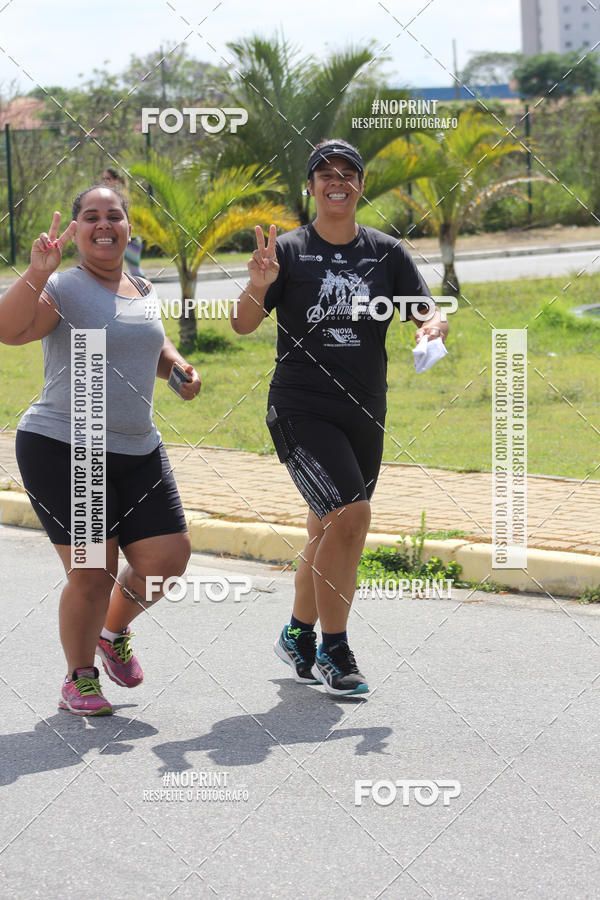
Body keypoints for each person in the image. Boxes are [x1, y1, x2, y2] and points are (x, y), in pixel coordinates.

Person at [231, 139, 449, 696]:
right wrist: (257, 285)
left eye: (347, 173)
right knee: (352, 518)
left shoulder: (387, 252)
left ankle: (298, 635)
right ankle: (335, 649)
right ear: (310, 187)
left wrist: (432, 328)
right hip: (300, 409)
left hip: (364, 411)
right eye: (324, 173)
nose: (337, 181)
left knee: (328, 527)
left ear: (360, 183)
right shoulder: (291, 251)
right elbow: (242, 325)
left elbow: (425, 311)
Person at [0, 185, 201, 716]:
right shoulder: (64, 287)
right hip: (68, 444)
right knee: (93, 571)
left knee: (167, 559)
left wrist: (178, 368)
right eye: (91, 217)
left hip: (138, 447)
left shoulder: (140, 286)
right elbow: (9, 328)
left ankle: (112, 633)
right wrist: (38, 271)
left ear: (128, 228)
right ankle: (78, 677)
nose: (104, 224)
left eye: (114, 215)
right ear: (77, 229)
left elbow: (152, 343)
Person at [102, 168, 145, 277]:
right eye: (103, 179)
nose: (104, 182)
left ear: (116, 180)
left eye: (108, 179)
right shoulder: (111, 195)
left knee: (136, 272)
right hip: (118, 238)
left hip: (131, 239)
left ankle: (148, 291)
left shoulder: (119, 196)